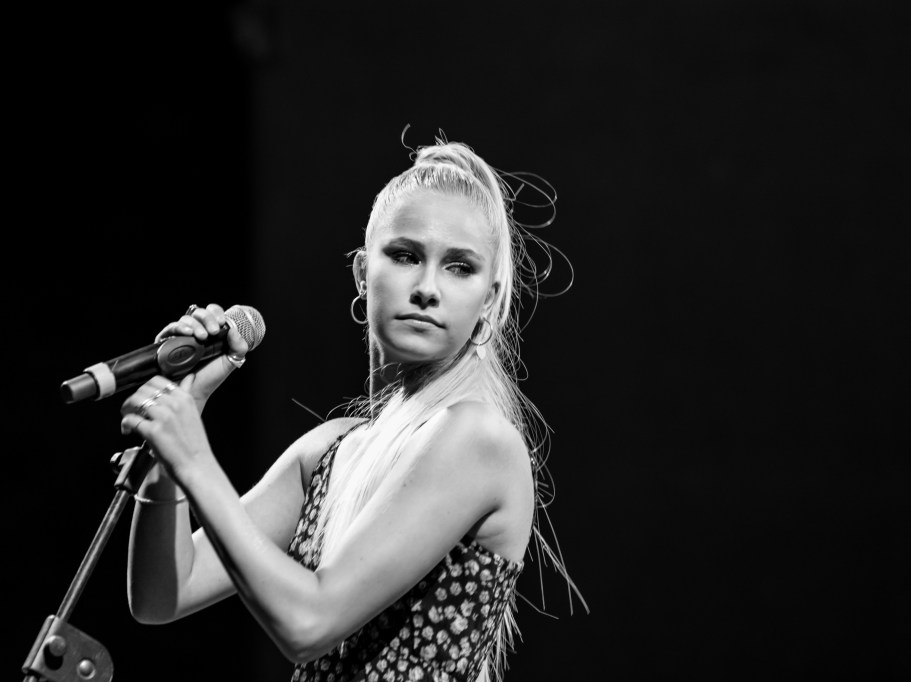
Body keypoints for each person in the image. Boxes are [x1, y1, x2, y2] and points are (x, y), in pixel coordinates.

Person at [120, 136, 581, 682]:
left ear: (489, 300)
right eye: (406, 256)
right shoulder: (330, 451)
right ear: (363, 273)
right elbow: (162, 595)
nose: (427, 288)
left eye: (459, 267)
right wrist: (175, 437)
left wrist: (196, 460)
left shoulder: (476, 437)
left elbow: (308, 623)